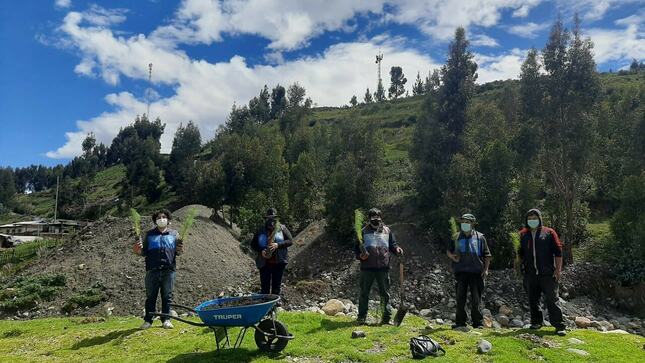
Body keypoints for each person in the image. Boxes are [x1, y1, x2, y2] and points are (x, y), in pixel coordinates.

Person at [518, 208, 566, 336]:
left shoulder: (549, 232)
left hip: (547, 273)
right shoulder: (523, 234)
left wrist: (558, 270)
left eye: (534, 218)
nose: (532, 221)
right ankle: (536, 322)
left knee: (552, 299)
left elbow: (558, 251)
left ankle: (559, 325)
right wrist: (519, 269)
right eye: (530, 218)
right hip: (530, 273)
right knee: (533, 299)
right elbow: (520, 253)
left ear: (539, 219)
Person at [133, 209, 183, 330]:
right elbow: (143, 252)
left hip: (168, 269)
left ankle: (166, 319)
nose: (161, 219)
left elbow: (179, 252)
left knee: (167, 295)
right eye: (159, 218)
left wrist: (180, 249)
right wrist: (137, 251)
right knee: (151, 296)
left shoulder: (174, 234)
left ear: (168, 219)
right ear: (155, 221)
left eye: (164, 217)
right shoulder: (149, 235)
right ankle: (148, 320)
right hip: (152, 269)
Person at [355, 208, 403, 325]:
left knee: (385, 294)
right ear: (369, 219)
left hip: (383, 268)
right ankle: (362, 317)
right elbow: (356, 250)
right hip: (367, 268)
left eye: (378, 218)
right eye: (373, 218)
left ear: (381, 218)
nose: (376, 221)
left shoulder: (387, 231)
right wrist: (361, 256)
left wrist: (397, 249)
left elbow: (393, 245)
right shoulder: (362, 232)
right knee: (364, 293)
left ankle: (386, 318)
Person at [446, 213, 491, 329]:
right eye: (463, 222)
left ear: (472, 224)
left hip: (477, 272)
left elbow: (487, 255)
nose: (464, 224)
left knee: (476, 299)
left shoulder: (480, 237)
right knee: (460, 298)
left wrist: (486, 270)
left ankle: (477, 323)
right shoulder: (456, 237)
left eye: (467, 222)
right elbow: (448, 251)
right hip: (461, 272)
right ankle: (460, 322)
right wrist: (452, 256)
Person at [250, 208, 293, 300]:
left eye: (273, 218)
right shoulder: (260, 230)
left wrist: (278, 244)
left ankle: (274, 306)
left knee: (276, 287)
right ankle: (264, 307)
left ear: (276, 218)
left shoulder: (282, 228)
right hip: (264, 263)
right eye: (269, 218)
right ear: (266, 219)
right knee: (264, 287)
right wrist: (261, 250)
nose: (271, 220)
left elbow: (290, 241)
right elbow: (253, 244)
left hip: (279, 262)